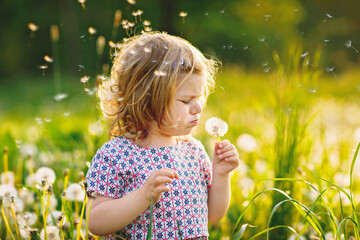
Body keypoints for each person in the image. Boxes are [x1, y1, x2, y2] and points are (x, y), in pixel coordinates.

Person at [85, 32, 239, 239]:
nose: (198, 107)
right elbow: (96, 223)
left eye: (199, 97)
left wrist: (221, 174)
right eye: (186, 100)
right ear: (146, 101)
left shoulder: (193, 151)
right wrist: (143, 196)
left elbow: (213, 215)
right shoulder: (116, 155)